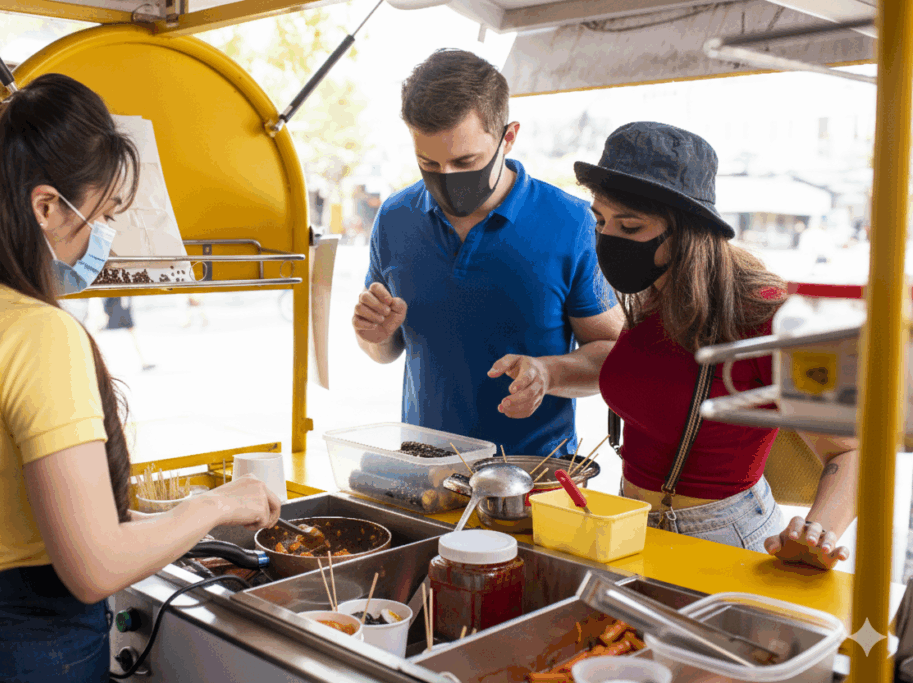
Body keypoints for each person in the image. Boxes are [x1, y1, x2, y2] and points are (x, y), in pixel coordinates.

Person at [0, 73, 281, 682]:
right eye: (102, 216)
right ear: (46, 206)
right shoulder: (36, 334)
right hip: (22, 661)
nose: (104, 239)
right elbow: (93, 566)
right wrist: (214, 504)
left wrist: (166, 522)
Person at [574, 121, 857, 569]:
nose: (607, 239)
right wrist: (548, 371)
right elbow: (653, 376)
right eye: (600, 220)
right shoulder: (650, 292)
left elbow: (852, 449)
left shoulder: (766, 316)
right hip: (630, 521)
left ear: (687, 231)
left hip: (725, 538)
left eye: (629, 225)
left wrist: (817, 531)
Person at [353, 49, 622, 457]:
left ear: (508, 137)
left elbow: (614, 356)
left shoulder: (571, 224)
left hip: (535, 477)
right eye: (429, 162)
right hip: (424, 469)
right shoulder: (394, 218)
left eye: (466, 161)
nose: (446, 178)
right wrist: (373, 335)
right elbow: (385, 350)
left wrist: (548, 373)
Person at [103, 296, 156, 369]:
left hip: (124, 311)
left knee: (134, 335)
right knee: (98, 332)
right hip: (113, 311)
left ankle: (143, 362)